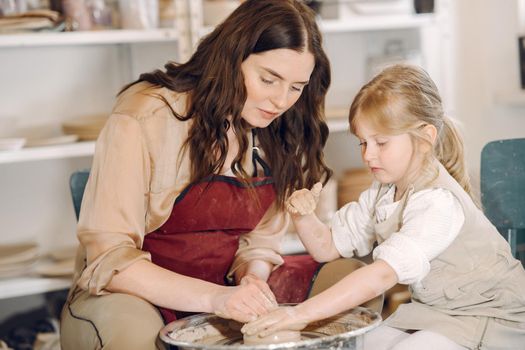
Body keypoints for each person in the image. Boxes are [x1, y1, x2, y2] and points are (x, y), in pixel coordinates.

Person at [59, 1, 334, 349]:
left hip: (223, 292)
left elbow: (260, 242)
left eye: (296, 87)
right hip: (135, 296)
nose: (281, 100)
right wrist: (215, 299)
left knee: (346, 279)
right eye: (268, 79)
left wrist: (252, 279)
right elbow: (109, 261)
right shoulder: (148, 115)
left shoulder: (278, 128)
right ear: (232, 58)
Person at [242, 64, 525, 350]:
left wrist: (299, 314)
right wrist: (303, 216)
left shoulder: (438, 203)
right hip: (438, 314)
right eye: (363, 143)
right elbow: (327, 247)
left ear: (425, 138)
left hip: (493, 319)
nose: (368, 155)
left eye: (381, 142)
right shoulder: (383, 190)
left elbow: (381, 275)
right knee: (361, 342)